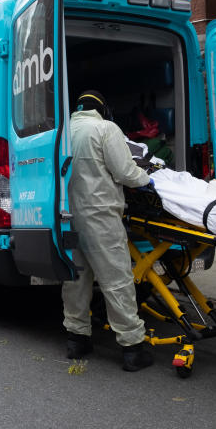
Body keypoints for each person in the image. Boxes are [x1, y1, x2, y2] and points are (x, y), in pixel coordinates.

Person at [62, 89, 155, 372]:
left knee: (75, 279)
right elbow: (125, 172)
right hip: (99, 214)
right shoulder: (105, 128)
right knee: (115, 279)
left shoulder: (61, 131)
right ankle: (132, 347)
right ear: (102, 109)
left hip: (65, 215)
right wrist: (147, 178)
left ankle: (77, 338)